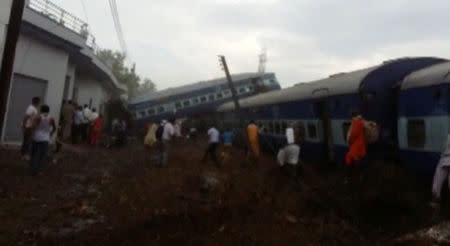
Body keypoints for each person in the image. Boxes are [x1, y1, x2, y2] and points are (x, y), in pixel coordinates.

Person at [30, 105, 56, 175]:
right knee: (43, 155)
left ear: (41, 110)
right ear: (48, 110)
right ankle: (40, 170)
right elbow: (54, 128)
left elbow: (34, 126)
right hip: (45, 139)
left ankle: (32, 168)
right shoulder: (51, 118)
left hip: (37, 137)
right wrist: (50, 134)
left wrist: (32, 135)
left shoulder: (38, 117)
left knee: (34, 153)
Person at [431, 134, 450, 206]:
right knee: (438, 181)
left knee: (437, 182)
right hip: (445, 158)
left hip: (444, 158)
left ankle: (436, 200)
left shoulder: (448, 136)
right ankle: (436, 199)